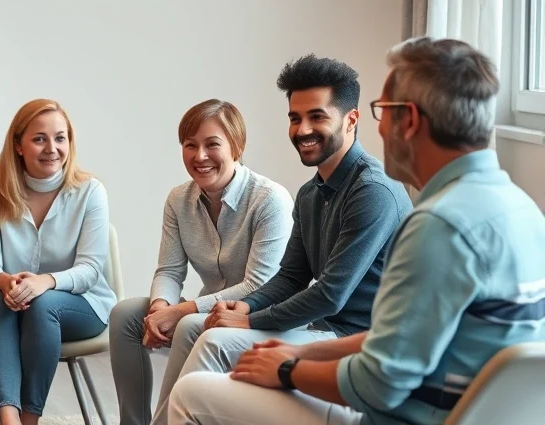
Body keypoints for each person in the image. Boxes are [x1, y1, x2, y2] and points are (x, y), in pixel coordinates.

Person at [167, 36, 545, 425]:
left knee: (192, 394)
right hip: (449, 404)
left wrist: (287, 370)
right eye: (295, 118)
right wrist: (295, 351)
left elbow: (379, 383)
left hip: (401, 415)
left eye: (383, 112)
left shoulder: (438, 226)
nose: (380, 131)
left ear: (409, 120)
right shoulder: (522, 209)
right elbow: (405, 339)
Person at [152, 54, 415, 424]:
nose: (303, 129)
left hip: (356, 340)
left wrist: (251, 319)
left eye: (317, 117)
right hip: (320, 329)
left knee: (213, 341)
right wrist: (246, 308)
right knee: (194, 324)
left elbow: (330, 294)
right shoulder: (311, 193)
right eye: (295, 118)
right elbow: (291, 276)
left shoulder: (372, 191)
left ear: (351, 119)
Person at [108, 99, 294, 425]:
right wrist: (158, 308)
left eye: (212, 144)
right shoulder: (178, 199)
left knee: (192, 325)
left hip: (260, 316)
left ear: (236, 146)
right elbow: (169, 269)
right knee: (126, 314)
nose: (200, 156)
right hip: (209, 310)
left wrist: (179, 310)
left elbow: (259, 286)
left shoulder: (269, 199)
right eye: (190, 145)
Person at [0, 98, 117, 425]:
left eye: (60, 138)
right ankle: (9, 419)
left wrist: (44, 282)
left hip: (82, 305)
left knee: (42, 303)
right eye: (39, 138)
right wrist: (4, 281)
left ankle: (28, 420)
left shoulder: (90, 192)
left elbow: (91, 271)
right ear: (19, 145)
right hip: (9, 304)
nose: (52, 148)